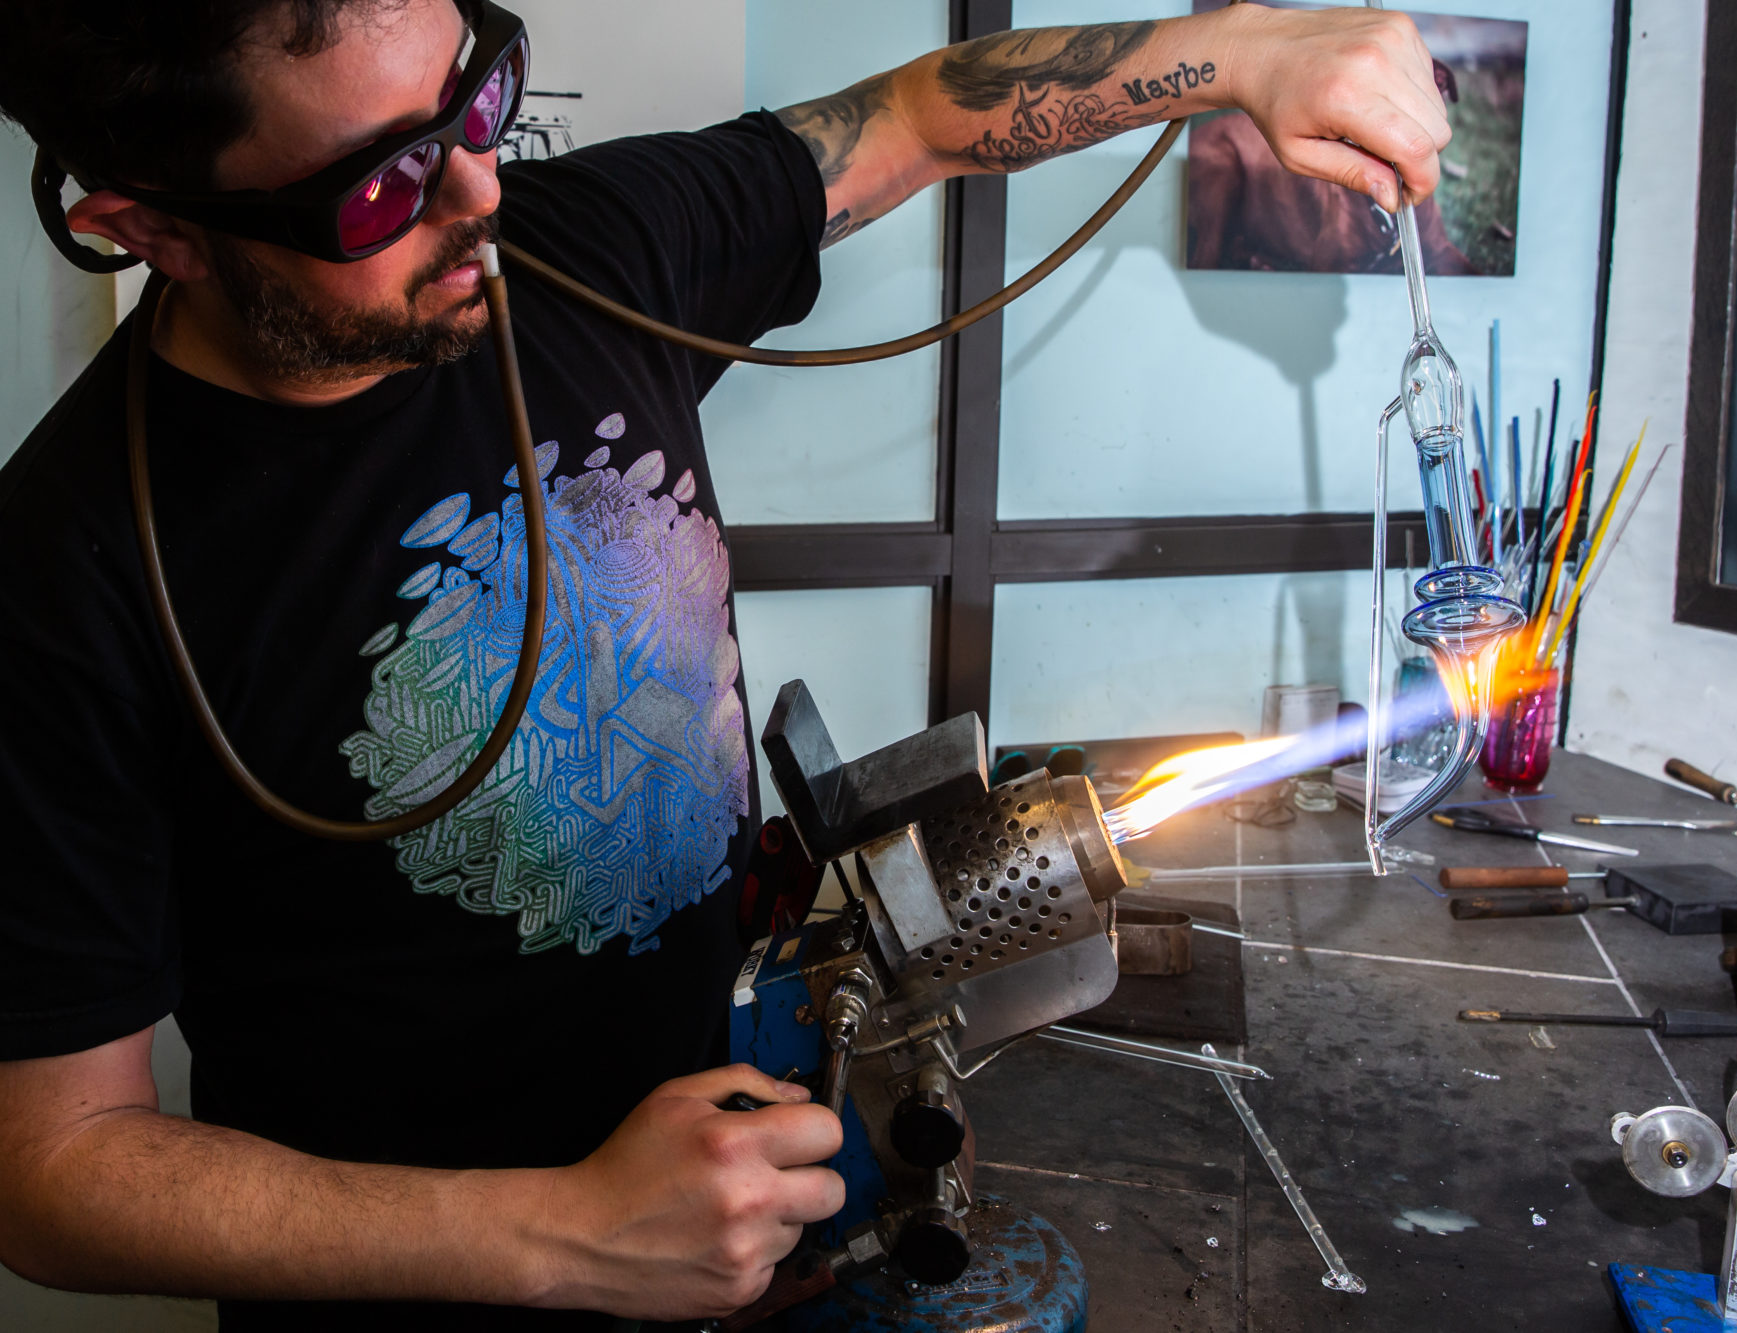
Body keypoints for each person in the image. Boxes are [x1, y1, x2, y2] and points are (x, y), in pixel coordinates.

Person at [0, 1, 1449, 1327]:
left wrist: (1251, 50)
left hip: (764, 1219)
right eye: (382, 184)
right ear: (157, 230)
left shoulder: (587, 249)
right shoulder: (62, 575)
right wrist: (559, 1233)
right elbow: (53, 1171)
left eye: (474, 102)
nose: (480, 197)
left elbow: (921, 116)